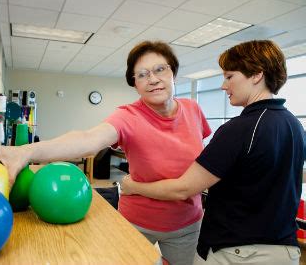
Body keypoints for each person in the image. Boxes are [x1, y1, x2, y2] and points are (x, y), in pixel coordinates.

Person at [0, 41, 211, 265]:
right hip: (137, 222)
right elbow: (87, 139)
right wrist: (21, 151)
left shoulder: (193, 109)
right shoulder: (128, 116)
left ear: (173, 72)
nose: (152, 79)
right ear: (134, 84)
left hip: (187, 225)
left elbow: (200, 160)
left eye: (159, 69)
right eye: (141, 75)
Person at [121, 40, 305, 265]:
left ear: (257, 75)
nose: (223, 85)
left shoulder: (238, 129)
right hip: (284, 251)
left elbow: (183, 188)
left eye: (229, 77)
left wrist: (132, 187)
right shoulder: (294, 125)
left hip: (237, 252)